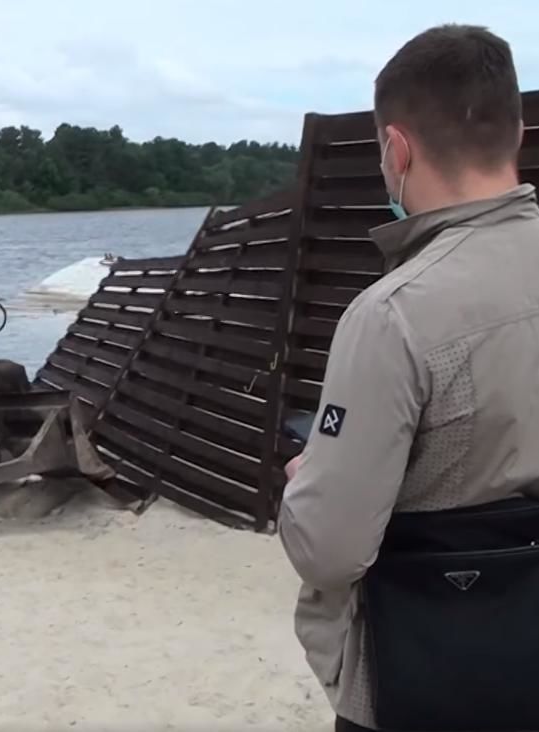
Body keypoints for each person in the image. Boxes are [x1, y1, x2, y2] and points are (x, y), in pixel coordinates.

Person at [278, 25, 539, 732]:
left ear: (395, 150)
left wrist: (309, 479)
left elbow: (329, 550)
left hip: (433, 669)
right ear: (513, 133)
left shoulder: (392, 315)